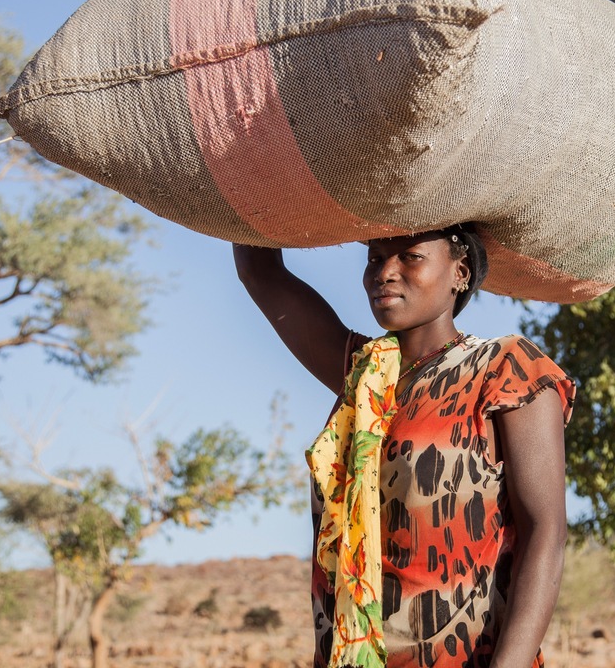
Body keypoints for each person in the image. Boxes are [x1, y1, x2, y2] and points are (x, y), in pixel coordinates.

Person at [234, 224, 575, 668]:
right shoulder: (363, 377)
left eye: (409, 257)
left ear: (461, 271)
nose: (384, 272)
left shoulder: (503, 369)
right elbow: (260, 272)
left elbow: (544, 533)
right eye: (375, 258)